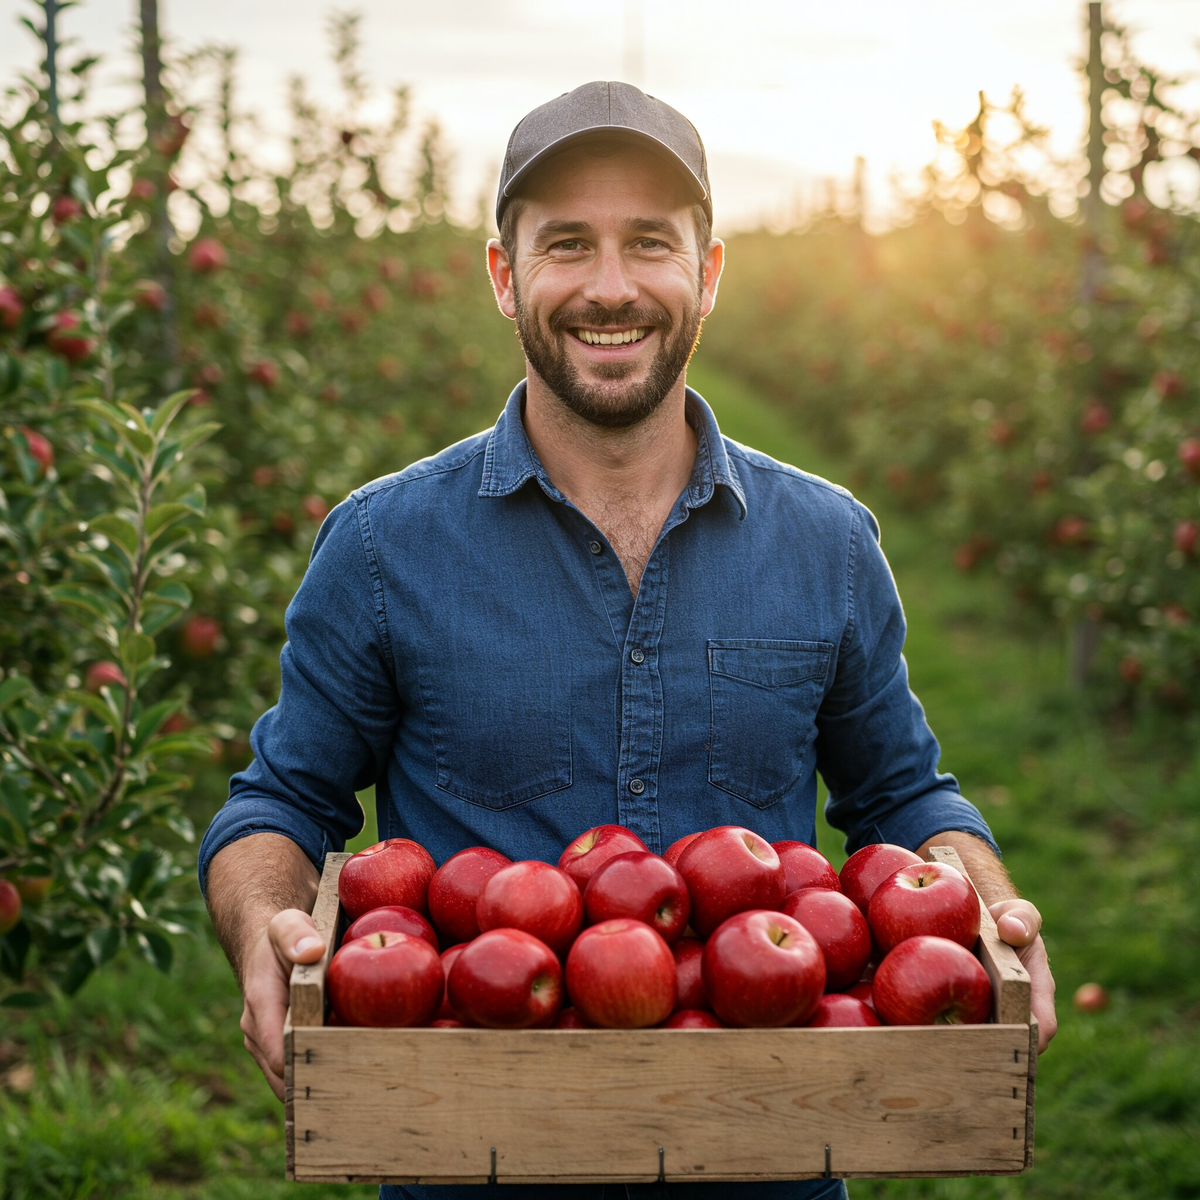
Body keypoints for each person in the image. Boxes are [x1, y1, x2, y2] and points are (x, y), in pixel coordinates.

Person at [199, 81, 1057, 1200]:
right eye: (567, 244)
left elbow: (902, 798)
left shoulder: (829, 544)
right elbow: (280, 804)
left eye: (649, 242)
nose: (610, 288)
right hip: (471, 1149)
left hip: (771, 1153)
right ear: (505, 277)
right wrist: (266, 923)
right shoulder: (381, 548)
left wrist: (983, 904)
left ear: (707, 274)